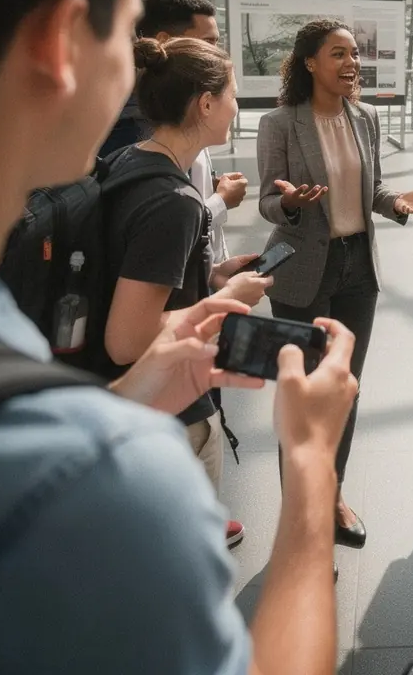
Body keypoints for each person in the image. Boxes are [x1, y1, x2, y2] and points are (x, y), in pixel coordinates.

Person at [0, 0, 360, 674]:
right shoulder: (96, 492)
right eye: (127, 30)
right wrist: (310, 475)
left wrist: (132, 394)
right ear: (60, 44)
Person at [257, 17, 413, 550]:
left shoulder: (366, 118)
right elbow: (267, 199)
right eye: (338, 54)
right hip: (303, 271)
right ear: (310, 62)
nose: (351, 63)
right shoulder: (281, 124)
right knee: (304, 398)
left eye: (354, 54)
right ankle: (301, 517)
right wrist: (287, 203)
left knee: (345, 391)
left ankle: (330, 493)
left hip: (359, 267)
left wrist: (397, 204)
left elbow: (372, 186)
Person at [100, 36, 271, 535]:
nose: (236, 106)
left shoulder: (131, 161)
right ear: (206, 102)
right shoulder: (175, 200)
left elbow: (137, 275)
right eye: (233, 94)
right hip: (168, 408)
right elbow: (126, 338)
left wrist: (213, 275)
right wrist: (224, 299)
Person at [134, 0, 249, 265]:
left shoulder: (183, 116)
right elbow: (161, 221)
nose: (215, 53)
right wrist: (219, 201)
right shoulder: (138, 126)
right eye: (208, 42)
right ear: (164, 41)